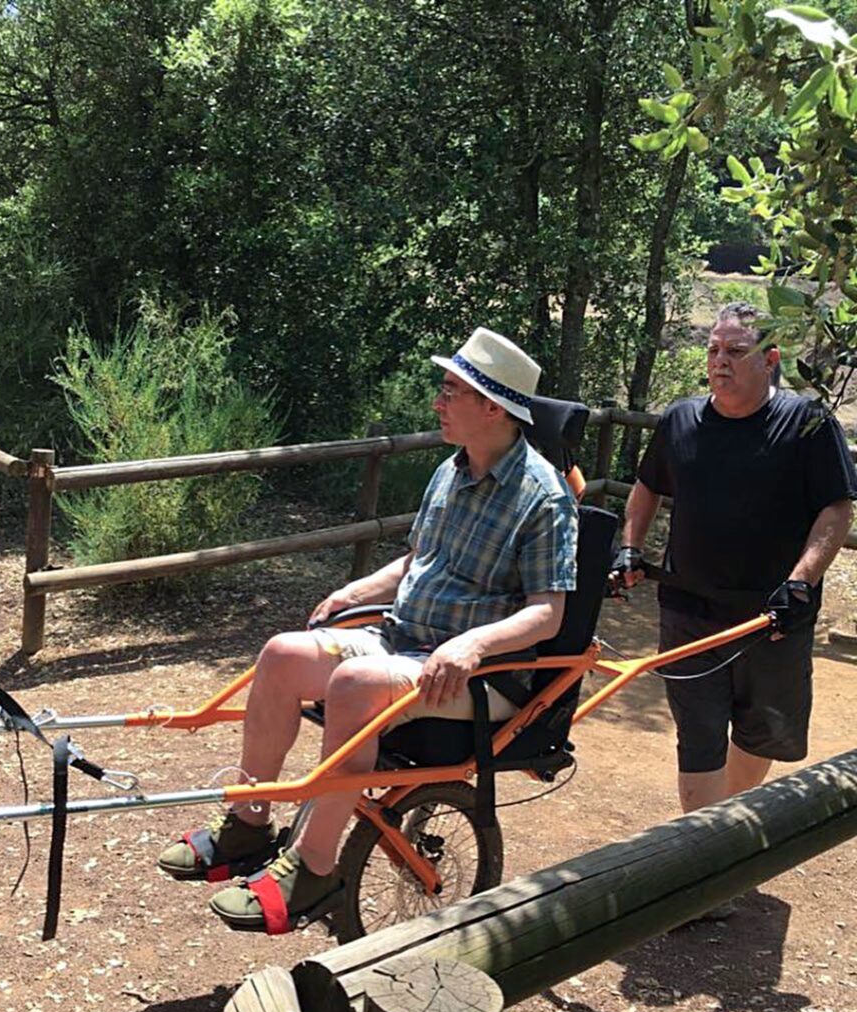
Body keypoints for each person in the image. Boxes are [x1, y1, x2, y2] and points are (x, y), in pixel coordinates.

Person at [157, 327, 579, 933]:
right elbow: (418, 561)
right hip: (402, 640)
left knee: (353, 682)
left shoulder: (543, 497)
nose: (437, 401)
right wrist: (358, 591)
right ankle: (249, 826)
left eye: (450, 390)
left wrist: (471, 644)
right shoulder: (451, 471)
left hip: (475, 671)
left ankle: (315, 865)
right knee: (281, 654)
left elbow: (549, 611)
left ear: (493, 406)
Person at [614, 301, 856, 820]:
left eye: (735, 351)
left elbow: (836, 508)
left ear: (769, 359)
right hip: (688, 613)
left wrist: (800, 582)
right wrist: (630, 547)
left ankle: (723, 835)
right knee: (698, 738)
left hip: (772, 618)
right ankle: (702, 857)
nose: (720, 361)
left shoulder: (806, 424)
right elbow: (646, 488)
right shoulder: (680, 421)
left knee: (762, 734)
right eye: (713, 350)